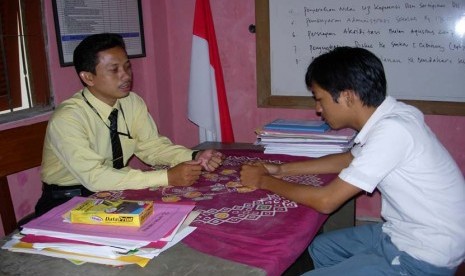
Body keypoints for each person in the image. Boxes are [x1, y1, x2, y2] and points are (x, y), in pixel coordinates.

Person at [240, 47, 465, 275]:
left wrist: (262, 181)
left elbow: (326, 200)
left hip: (423, 255)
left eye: (320, 99)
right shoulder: (391, 117)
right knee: (317, 249)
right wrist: (280, 169)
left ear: (347, 96)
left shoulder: (393, 130)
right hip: (401, 232)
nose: (318, 109)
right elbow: (349, 159)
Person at [35, 33, 224, 216]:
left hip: (113, 192)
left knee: (187, 213)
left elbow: (151, 147)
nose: (126, 76)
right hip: (69, 201)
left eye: (127, 67)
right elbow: (95, 178)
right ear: (88, 77)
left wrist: (194, 156)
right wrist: (167, 177)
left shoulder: (131, 102)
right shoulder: (68, 118)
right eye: (114, 70)